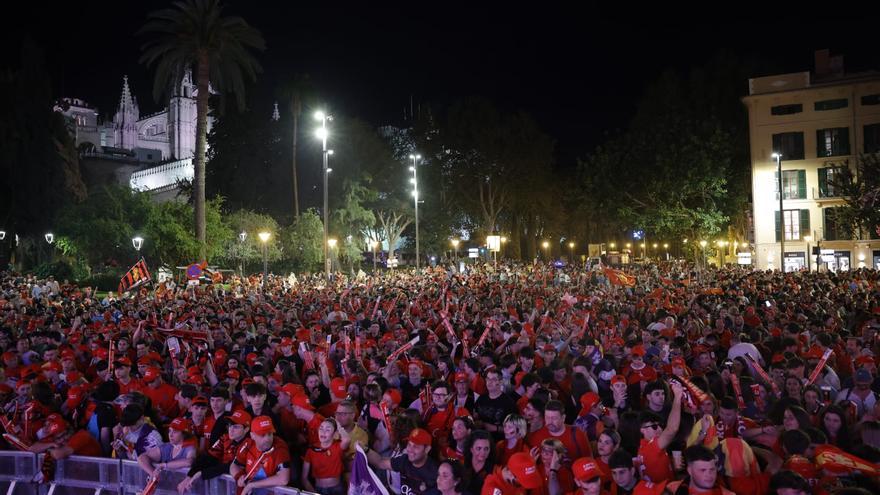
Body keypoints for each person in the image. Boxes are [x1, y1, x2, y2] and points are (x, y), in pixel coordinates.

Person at [177, 410, 252, 494]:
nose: (231, 429)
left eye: (236, 427)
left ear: (246, 429)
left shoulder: (251, 443)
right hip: (225, 485)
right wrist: (189, 476)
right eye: (230, 425)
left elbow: (231, 467)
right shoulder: (225, 438)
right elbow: (208, 457)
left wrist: (202, 473)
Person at [230, 416, 292, 495]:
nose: (267, 438)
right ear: (252, 435)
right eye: (262, 435)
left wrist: (252, 485)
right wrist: (239, 477)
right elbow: (234, 465)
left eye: (270, 434)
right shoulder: (247, 444)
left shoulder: (280, 447)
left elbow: (283, 479)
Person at [368, 427, 439, 495]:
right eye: (409, 444)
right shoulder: (405, 460)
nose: (410, 450)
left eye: (416, 446)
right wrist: (365, 450)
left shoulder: (436, 474)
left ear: (427, 449)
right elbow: (380, 462)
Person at [301, 417, 351, 495]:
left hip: (337, 489)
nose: (323, 432)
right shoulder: (312, 449)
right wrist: (314, 493)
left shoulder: (337, 446)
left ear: (334, 434)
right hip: (318, 490)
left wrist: (338, 425)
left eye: (327, 430)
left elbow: (347, 439)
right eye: (321, 429)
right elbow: (304, 478)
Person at [665, 445, 734, 495]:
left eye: (712, 469)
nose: (709, 475)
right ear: (690, 471)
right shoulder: (672, 489)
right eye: (703, 470)